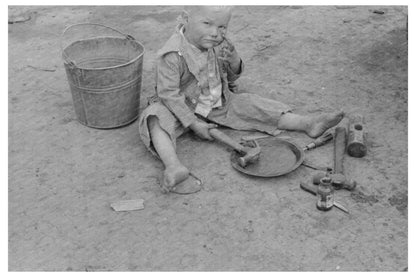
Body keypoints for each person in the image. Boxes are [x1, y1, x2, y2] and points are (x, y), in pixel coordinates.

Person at [138, 6, 344, 193]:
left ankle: (307, 123)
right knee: (154, 117)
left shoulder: (220, 44)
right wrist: (192, 123)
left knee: (249, 103)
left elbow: (233, 76)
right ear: (185, 19)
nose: (215, 32)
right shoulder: (172, 54)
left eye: (222, 27)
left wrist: (234, 61)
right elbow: (168, 94)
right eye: (207, 23)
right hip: (181, 108)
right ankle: (174, 165)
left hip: (216, 102)